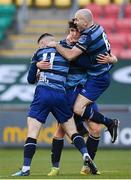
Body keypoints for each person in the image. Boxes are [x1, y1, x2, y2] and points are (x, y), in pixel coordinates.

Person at [37, 20, 118, 176]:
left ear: (82, 36)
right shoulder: (60, 46)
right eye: (71, 31)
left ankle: (88, 166)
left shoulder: (86, 49)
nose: (74, 34)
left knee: (95, 129)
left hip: (83, 92)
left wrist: (112, 59)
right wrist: (38, 68)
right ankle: (55, 167)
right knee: (60, 131)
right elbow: (44, 60)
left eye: (77, 32)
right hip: (67, 94)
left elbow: (103, 60)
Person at [12, 33, 98, 177]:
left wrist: (35, 64)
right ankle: (85, 155)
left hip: (42, 94)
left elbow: (30, 79)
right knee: (73, 132)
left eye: (40, 44)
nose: (40, 47)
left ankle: (26, 168)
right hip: (60, 95)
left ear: (44, 43)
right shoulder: (67, 50)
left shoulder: (38, 53)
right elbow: (83, 62)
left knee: (32, 133)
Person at [47, 9, 119, 145]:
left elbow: (70, 56)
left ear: (85, 23)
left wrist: (56, 44)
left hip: (97, 78)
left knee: (79, 110)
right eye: (71, 29)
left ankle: (109, 123)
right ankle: (81, 133)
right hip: (90, 79)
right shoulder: (98, 28)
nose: (75, 22)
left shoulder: (87, 37)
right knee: (66, 120)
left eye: (77, 20)